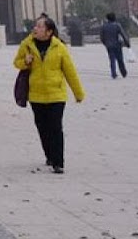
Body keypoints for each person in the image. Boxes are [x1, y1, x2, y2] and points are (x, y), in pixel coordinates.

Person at [13, 14, 85, 174]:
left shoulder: (59, 47)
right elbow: (16, 62)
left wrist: (78, 93)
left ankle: (58, 162)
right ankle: (49, 155)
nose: (35, 29)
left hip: (56, 94)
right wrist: (26, 61)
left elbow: (70, 71)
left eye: (39, 26)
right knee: (42, 127)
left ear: (49, 31)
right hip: (36, 95)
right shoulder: (27, 45)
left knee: (56, 127)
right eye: (36, 26)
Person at [98, 12, 130, 79]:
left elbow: (101, 37)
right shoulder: (117, 25)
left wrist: (105, 43)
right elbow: (123, 34)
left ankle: (113, 73)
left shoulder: (103, 26)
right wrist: (127, 43)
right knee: (120, 59)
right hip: (117, 44)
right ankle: (123, 72)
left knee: (112, 59)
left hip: (109, 45)